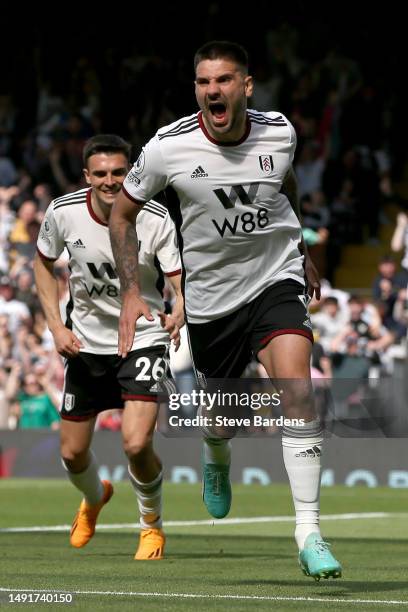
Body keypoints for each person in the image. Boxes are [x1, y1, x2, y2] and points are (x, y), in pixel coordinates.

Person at [109, 42, 341, 580]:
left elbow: (283, 184)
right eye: (204, 82)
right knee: (220, 421)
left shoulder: (280, 131)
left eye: (224, 80)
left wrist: (301, 253)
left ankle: (309, 532)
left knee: (298, 389)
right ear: (197, 89)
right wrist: (129, 291)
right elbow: (122, 214)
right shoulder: (168, 147)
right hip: (213, 300)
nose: (213, 90)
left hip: (273, 278)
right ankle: (216, 454)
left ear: (246, 86)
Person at [34, 134, 183, 560]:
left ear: (131, 171)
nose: (110, 180)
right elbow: (43, 265)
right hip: (85, 344)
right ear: (87, 176)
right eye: (100, 173)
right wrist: (54, 328)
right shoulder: (63, 212)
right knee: (72, 452)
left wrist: (180, 310)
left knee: (136, 444)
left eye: (119, 172)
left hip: (145, 339)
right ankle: (96, 496)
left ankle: (151, 525)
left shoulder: (154, 217)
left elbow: (178, 280)